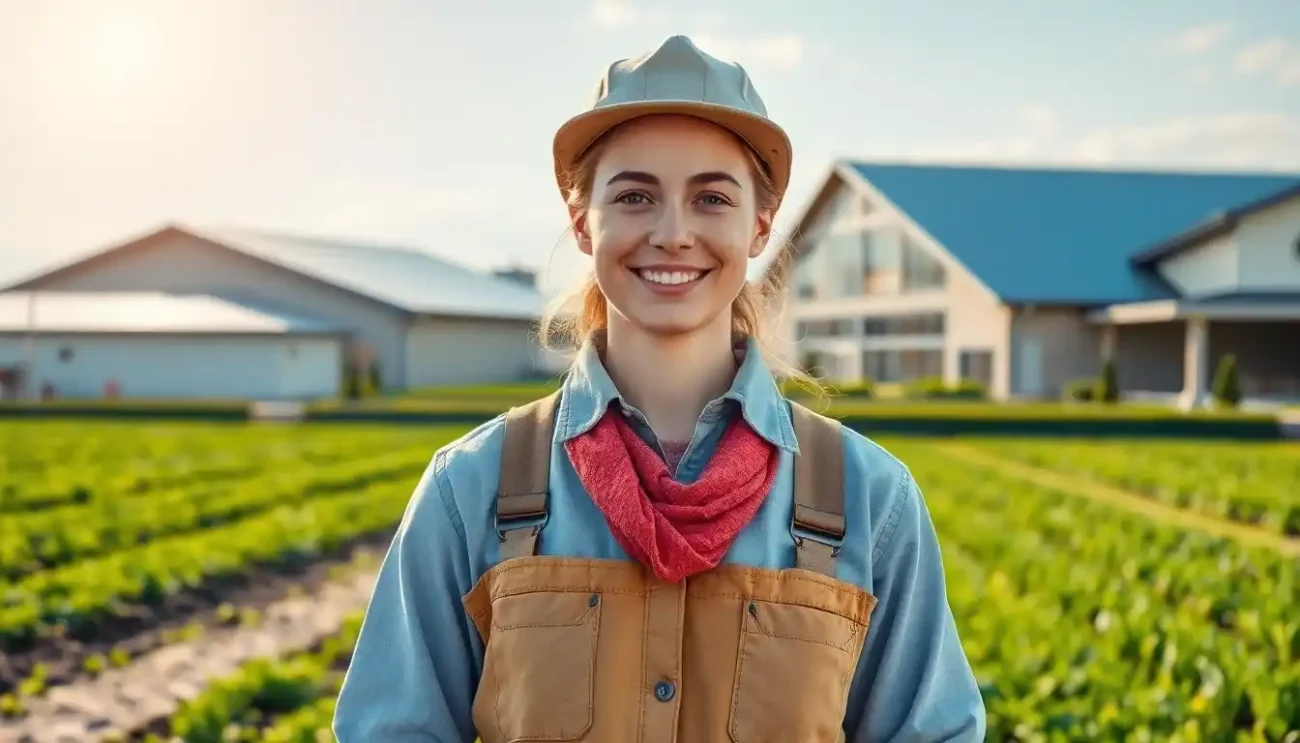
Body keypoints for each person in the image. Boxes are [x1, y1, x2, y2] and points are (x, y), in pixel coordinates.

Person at [333, 35, 986, 742]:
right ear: (583, 224)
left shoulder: (870, 500)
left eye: (711, 198)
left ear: (760, 226)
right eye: (635, 196)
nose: (673, 233)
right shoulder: (470, 490)